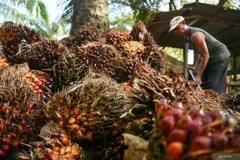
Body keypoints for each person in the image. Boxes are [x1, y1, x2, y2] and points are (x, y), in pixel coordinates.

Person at [168, 16, 230, 94]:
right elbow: (197, 52)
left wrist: (199, 75)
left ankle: (218, 103)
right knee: (204, 82)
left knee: (213, 84)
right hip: (211, 57)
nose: (176, 31)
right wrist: (194, 66)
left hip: (220, 55)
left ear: (184, 23)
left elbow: (205, 55)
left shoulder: (195, 35)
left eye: (177, 28)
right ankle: (207, 101)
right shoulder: (187, 37)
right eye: (174, 30)